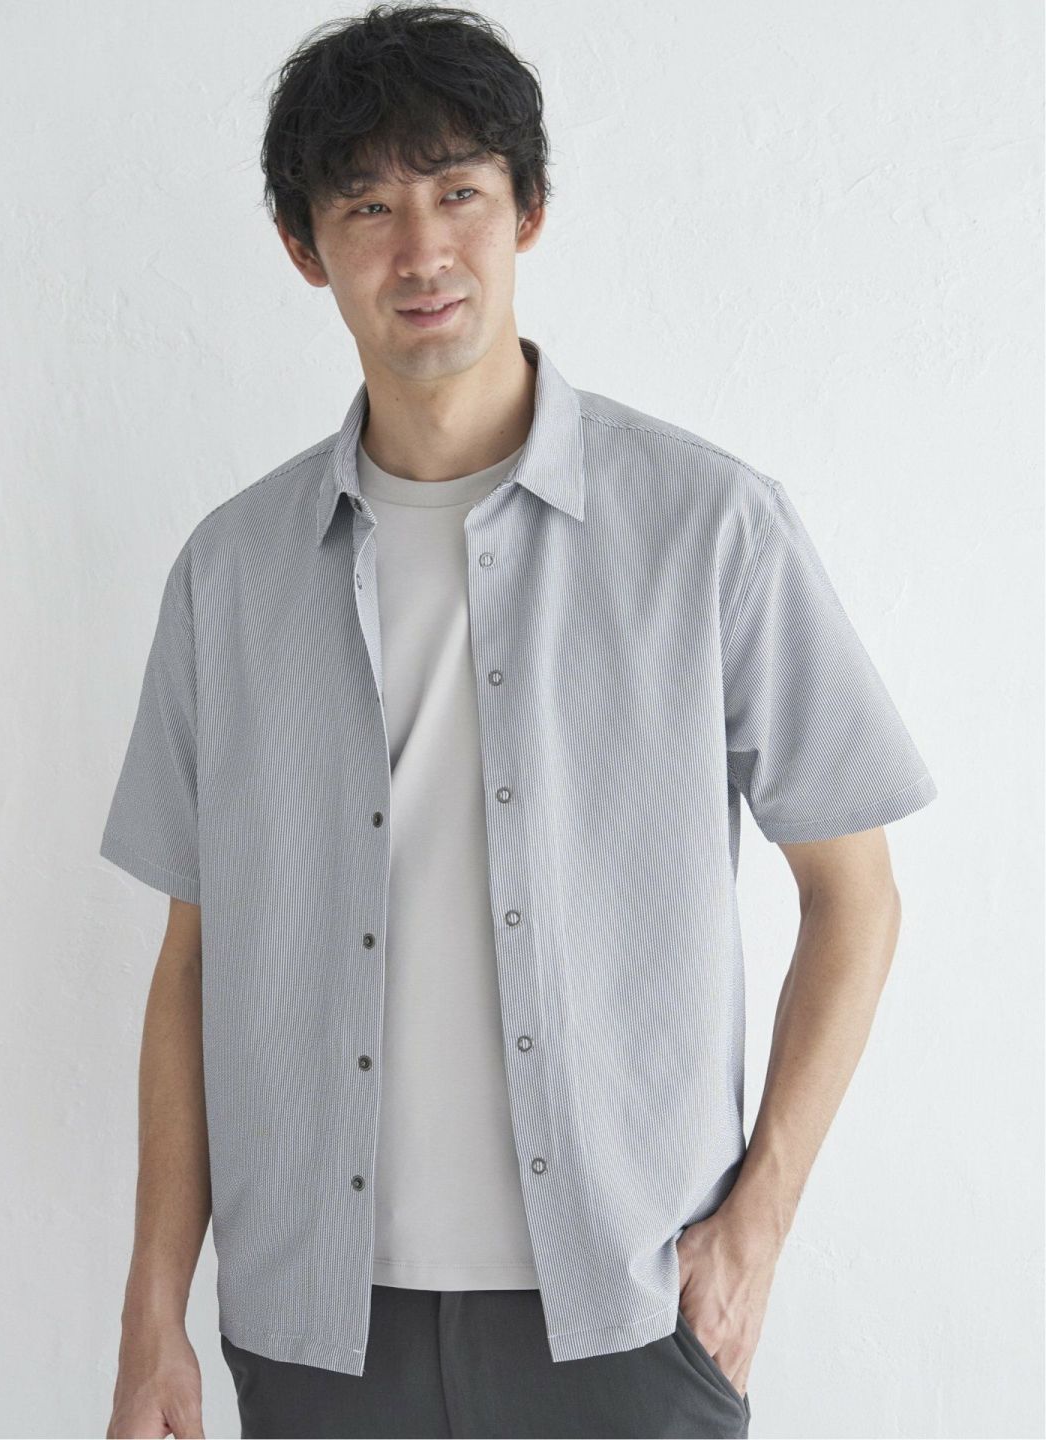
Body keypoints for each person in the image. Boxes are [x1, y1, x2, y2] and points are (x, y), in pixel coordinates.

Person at [100, 6, 938, 1438]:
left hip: (626, 1316)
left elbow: (854, 894)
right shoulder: (229, 573)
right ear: (306, 249)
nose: (421, 251)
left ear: (528, 209)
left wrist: (754, 1230)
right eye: (367, 208)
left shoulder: (709, 528)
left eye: (459, 192)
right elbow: (192, 961)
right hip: (314, 1331)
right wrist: (150, 1316)